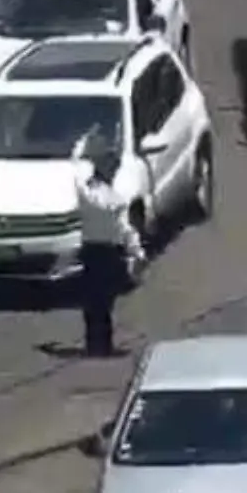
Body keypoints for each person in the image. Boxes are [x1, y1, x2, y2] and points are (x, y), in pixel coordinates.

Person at [74, 134, 143, 357]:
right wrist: (136, 250)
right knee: (99, 302)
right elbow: (123, 225)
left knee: (98, 302)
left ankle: (98, 344)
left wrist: (135, 249)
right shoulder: (104, 195)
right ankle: (99, 344)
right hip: (99, 251)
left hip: (103, 251)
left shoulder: (102, 193)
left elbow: (124, 227)